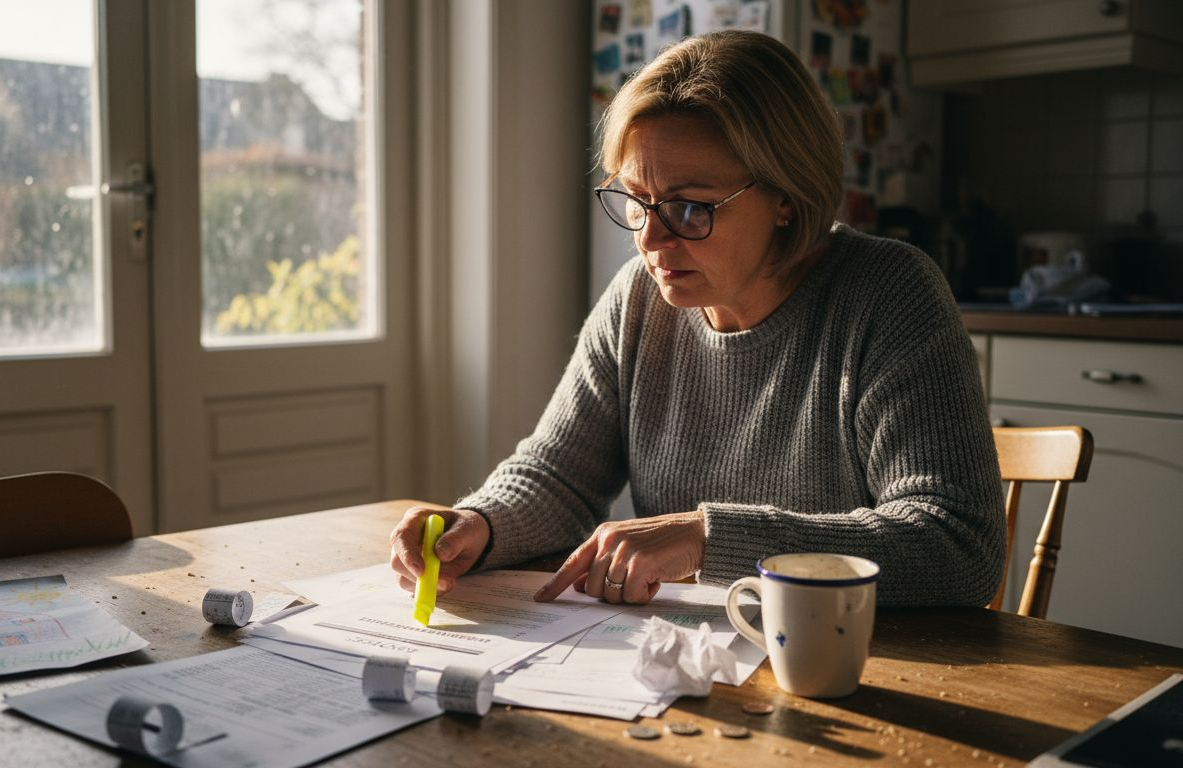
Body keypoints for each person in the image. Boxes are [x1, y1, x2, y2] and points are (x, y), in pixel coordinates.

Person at [390, 30, 1004, 607]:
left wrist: (709, 537)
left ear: (787, 198)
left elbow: (957, 544)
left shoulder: (889, 293)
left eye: (690, 208)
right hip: (692, 651)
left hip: (856, 658)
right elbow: (559, 477)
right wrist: (481, 522)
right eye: (637, 200)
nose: (650, 239)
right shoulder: (638, 300)